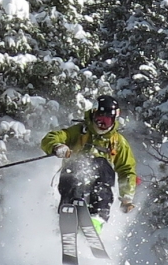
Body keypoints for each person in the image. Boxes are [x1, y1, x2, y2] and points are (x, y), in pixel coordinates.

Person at [41, 95, 137, 233]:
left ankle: (98, 217)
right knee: (74, 171)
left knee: (102, 167)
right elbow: (52, 137)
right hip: (74, 173)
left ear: (113, 121)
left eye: (107, 121)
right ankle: (68, 210)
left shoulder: (118, 142)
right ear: (93, 114)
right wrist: (56, 146)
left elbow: (127, 169)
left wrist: (126, 197)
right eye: (99, 119)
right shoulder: (79, 131)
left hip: (100, 178)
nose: (102, 124)